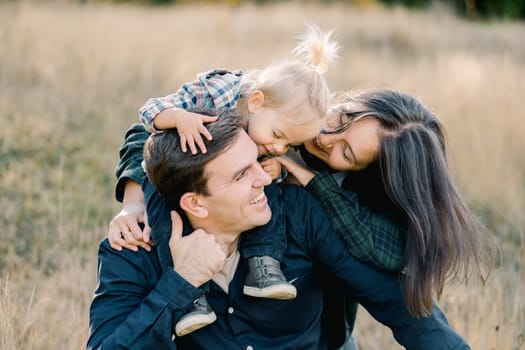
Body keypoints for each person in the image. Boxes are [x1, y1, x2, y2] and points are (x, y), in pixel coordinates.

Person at [87, 108, 471, 349]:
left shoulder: (301, 212)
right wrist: (182, 281)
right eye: (242, 174)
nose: (267, 177)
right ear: (195, 203)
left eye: (260, 160)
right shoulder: (135, 242)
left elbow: (403, 308)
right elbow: (147, 129)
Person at [107, 24, 339, 336]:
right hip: (183, 175)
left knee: (270, 195)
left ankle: (263, 263)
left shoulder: (272, 121)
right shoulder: (217, 95)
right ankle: (189, 295)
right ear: (255, 102)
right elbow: (147, 116)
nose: (278, 148)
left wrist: (277, 168)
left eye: (288, 145)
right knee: (164, 217)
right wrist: (178, 118)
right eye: (278, 136)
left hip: (225, 195)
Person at [274, 88, 494, 336]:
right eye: (344, 117)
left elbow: (394, 250)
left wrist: (314, 183)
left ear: (369, 172)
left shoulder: (359, 194)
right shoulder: (284, 113)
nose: (325, 138)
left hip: (317, 332)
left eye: (346, 153)